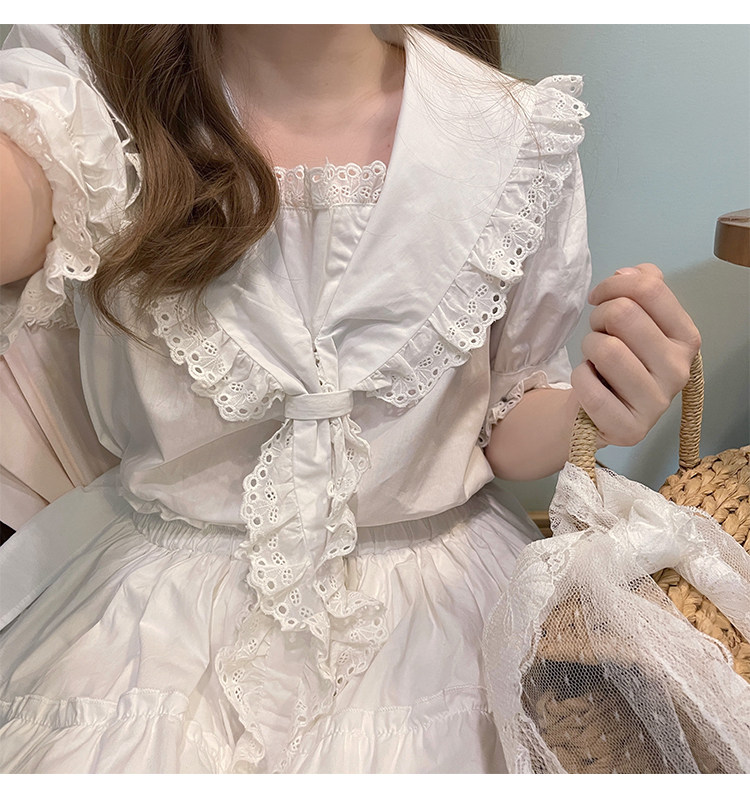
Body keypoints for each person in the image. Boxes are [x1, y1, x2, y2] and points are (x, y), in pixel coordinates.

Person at [0, 24, 701, 773]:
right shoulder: (90, 110)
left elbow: (504, 418)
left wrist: (599, 405)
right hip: (154, 627)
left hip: (448, 608)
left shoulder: (510, 133)